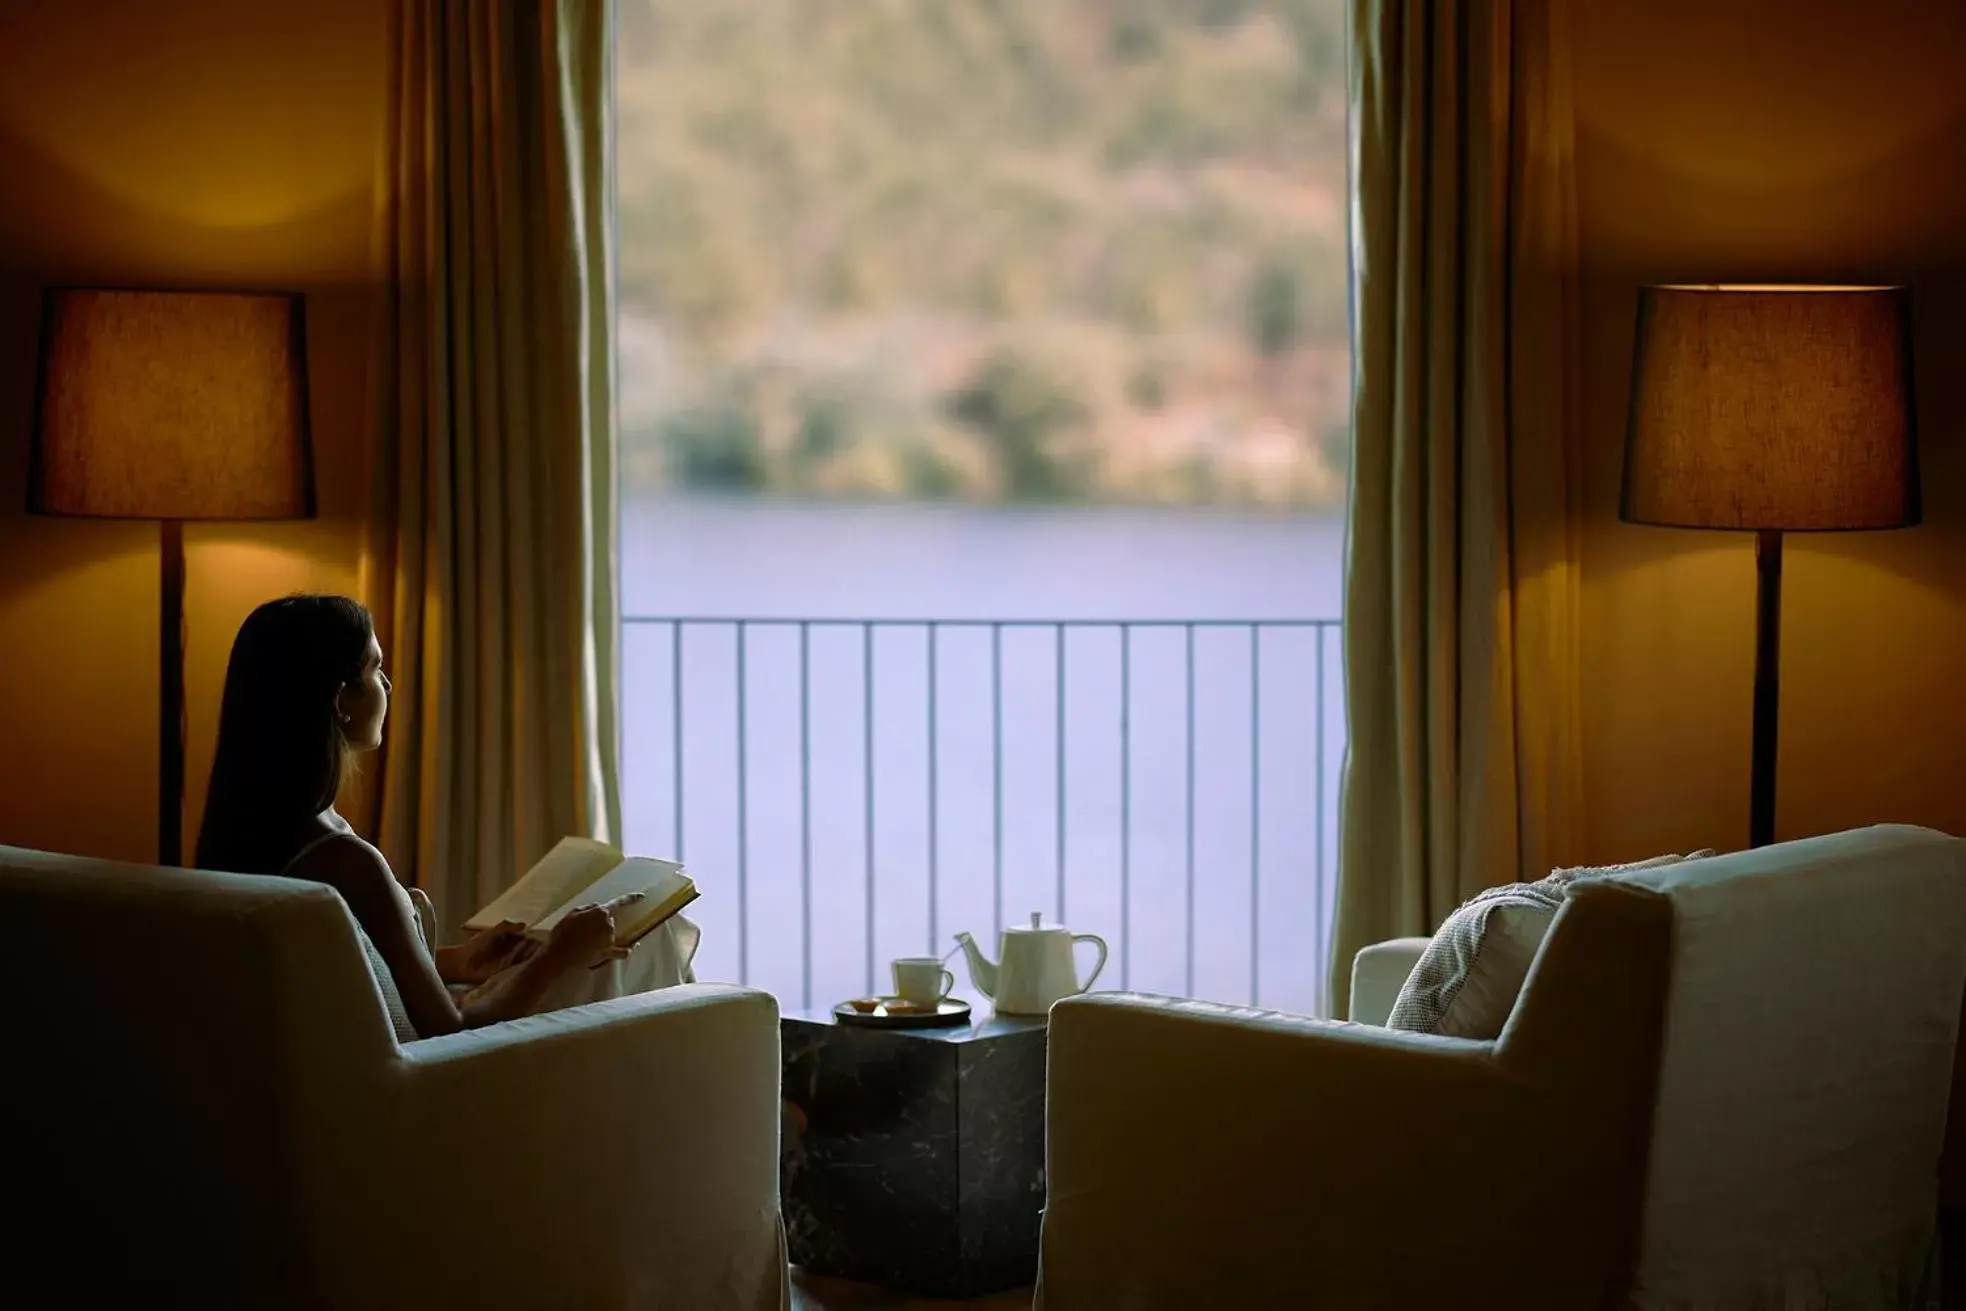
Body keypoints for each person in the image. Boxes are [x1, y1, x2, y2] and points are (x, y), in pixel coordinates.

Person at [195, 594, 636, 1039]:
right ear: (340, 698)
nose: (387, 685)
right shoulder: (345, 862)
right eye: (374, 669)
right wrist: (557, 955)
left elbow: (351, 970)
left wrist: (458, 960)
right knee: (640, 946)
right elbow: (451, 1031)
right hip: (437, 1085)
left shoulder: (252, 837)